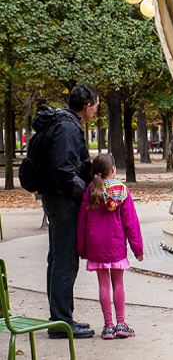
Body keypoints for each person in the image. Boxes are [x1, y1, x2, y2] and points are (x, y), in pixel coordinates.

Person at [36, 84, 99, 339]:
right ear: (87, 105)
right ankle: (61, 321)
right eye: (96, 105)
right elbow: (64, 169)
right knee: (64, 260)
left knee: (57, 257)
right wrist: (86, 192)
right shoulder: (68, 128)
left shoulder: (63, 122)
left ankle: (59, 318)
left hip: (54, 197)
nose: (96, 110)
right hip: (63, 200)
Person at [77, 153, 144, 340]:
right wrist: (138, 249)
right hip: (116, 244)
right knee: (118, 283)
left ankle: (108, 326)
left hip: (96, 246)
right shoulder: (122, 191)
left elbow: (82, 221)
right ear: (113, 169)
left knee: (103, 284)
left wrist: (82, 248)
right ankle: (121, 324)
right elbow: (130, 222)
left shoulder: (90, 191)